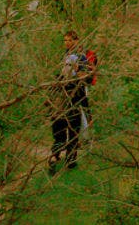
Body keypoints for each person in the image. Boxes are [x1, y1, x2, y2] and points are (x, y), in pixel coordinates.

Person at [47, 31, 88, 173]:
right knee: (60, 129)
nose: (67, 43)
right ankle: (56, 156)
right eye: (65, 40)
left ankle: (70, 159)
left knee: (73, 130)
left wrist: (76, 72)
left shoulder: (81, 57)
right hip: (62, 96)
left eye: (70, 40)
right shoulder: (64, 56)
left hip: (74, 96)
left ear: (76, 41)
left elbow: (84, 77)